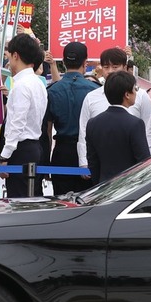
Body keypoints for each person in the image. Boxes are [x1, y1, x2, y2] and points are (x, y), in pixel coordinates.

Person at [77, 47, 151, 179]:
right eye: (106, 67)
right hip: (101, 165)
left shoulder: (140, 96)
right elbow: (84, 130)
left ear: (125, 67)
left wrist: (147, 164)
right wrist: (84, 162)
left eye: (115, 66)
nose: (110, 71)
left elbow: (148, 130)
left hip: (133, 168)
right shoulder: (91, 97)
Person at [0, 33, 47, 198]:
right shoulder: (38, 83)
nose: (8, 61)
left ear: (15, 55)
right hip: (34, 146)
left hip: (20, 150)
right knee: (32, 198)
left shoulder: (21, 86)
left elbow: (16, 123)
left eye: (9, 56)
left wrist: (5, 156)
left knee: (19, 201)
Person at [45, 41, 98, 195]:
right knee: (88, 202)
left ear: (64, 61)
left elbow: (47, 130)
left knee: (62, 203)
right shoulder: (95, 90)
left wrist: (46, 162)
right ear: (85, 62)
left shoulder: (52, 90)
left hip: (61, 152)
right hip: (88, 153)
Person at [85, 71, 150, 183]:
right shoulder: (135, 124)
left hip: (102, 186)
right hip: (129, 187)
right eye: (135, 89)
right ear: (127, 94)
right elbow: (144, 162)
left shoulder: (93, 123)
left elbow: (93, 162)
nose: (136, 92)